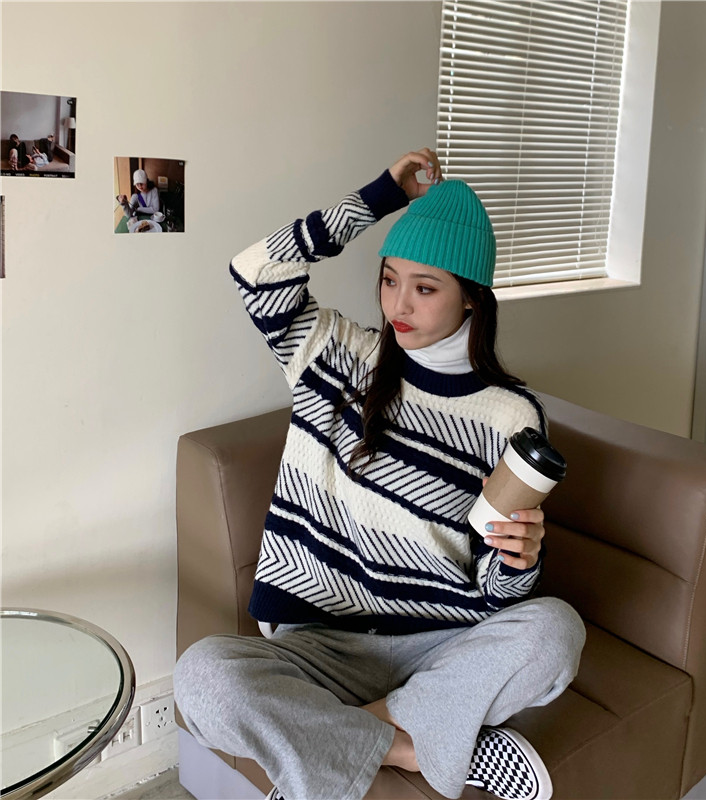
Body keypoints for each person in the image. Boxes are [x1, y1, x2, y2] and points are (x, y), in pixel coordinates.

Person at [174, 148, 585, 800]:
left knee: (556, 631)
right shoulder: (335, 356)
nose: (399, 303)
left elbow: (495, 588)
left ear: (471, 298)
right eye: (389, 280)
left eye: (425, 288)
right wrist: (378, 198)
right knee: (203, 678)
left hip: (442, 641)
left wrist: (519, 561)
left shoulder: (511, 414)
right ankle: (422, 745)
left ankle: (331, 745)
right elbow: (255, 272)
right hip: (321, 643)